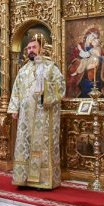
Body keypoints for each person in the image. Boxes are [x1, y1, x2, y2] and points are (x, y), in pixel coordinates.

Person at [7, 37, 66, 189]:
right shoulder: (23, 70)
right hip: (25, 117)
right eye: (28, 48)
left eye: (33, 47)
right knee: (24, 146)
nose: (30, 50)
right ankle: (24, 179)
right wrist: (14, 108)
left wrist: (46, 92)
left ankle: (43, 181)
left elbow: (61, 87)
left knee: (42, 148)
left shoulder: (51, 67)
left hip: (43, 114)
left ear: (41, 49)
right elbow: (16, 90)